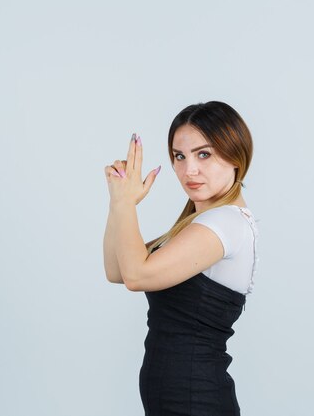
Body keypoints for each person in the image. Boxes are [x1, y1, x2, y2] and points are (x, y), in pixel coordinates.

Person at [103, 100, 259, 415]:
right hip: (180, 400)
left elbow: (136, 276)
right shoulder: (200, 224)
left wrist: (126, 205)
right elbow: (117, 269)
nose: (189, 170)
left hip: (196, 401)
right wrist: (118, 199)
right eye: (179, 156)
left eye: (204, 154)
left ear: (235, 155)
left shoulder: (225, 223)